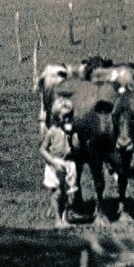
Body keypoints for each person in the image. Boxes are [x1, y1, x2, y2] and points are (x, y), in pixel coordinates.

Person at [40, 97, 78, 228]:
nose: (68, 120)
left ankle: (64, 217)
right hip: (56, 163)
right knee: (57, 192)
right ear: (57, 116)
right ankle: (57, 219)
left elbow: (76, 148)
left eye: (70, 116)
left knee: (67, 193)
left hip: (68, 163)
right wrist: (52, 162)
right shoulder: (52, 132)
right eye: (65, 116)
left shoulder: (71, 131)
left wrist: (73, 136)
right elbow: (42, 149)